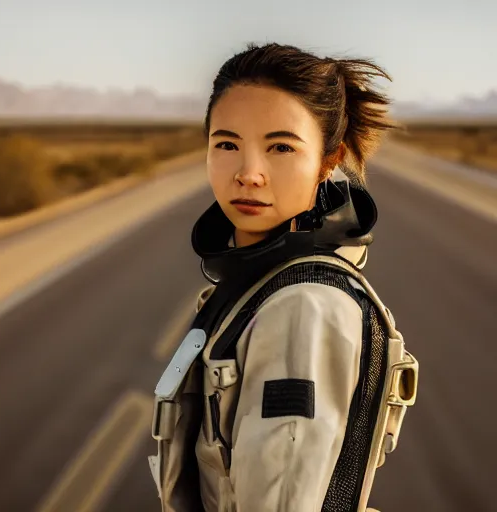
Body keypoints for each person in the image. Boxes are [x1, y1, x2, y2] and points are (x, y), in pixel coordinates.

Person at [149, 42, 418, 512]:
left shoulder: (301, 307)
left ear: (328, 161)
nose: (249, 173)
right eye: (227, 144)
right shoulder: (260, 288)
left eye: (281, 147)